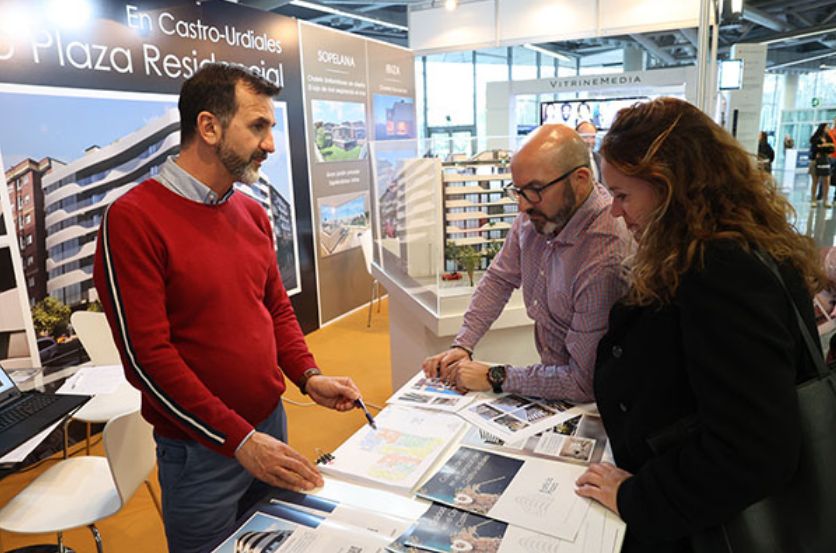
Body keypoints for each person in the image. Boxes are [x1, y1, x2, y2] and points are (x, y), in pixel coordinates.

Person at [93, 64, 363, 553]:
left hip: (269, 428)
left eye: (270, 129)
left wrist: (308, 374)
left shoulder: (251, 213)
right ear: (209, 127)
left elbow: (276, 309)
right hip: (202, 455)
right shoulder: (131, 219)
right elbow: (146, 360)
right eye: (258, 127)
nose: (270, 145)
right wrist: (238, 440)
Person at [574, 97, 823, 552]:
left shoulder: (722, 269)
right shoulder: (714, 251)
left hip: (709, 530)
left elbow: (753, 450)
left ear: (670, 187)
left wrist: (636, 497)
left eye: (624, 195)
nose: (614, 212)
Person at [422, 125, 632, 401]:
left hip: (599, 401)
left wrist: (495, 376)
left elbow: (584, 382)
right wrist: (464, 344)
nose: (522, 206)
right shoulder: (540, 213)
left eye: (534, 190)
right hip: (554, 379)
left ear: (581, 179)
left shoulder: (604, 256)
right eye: (518, 190)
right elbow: (499, 279)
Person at [809, 122, 834, 207]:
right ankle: (813, 199)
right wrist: (823, 147)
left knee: (826, 181)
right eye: (827, 127)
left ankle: (825, 200)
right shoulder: (815, 138)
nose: (828, 129)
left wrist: (823, 146)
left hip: (826, 160)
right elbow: (814, 148)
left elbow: (832, 148)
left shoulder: (828, 137)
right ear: (822, 128)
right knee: (815, 181)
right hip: (815, 161)